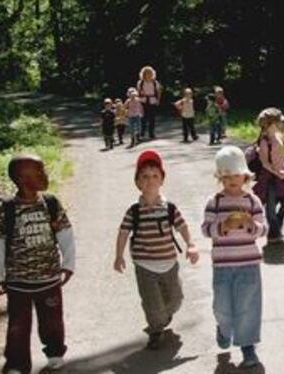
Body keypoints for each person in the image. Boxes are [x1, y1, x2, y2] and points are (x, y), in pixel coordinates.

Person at [0, 154, 76, 374]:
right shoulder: (7, 208)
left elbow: (65, 233)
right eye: (39, 172)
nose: (44, 175)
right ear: (21, 178)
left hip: (49, 278)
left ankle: (55, 353)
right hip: (18, 282)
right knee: (18, 326)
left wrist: (68, 263)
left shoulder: (51, 203)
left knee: (52, 322)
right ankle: (17, 365)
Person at [114, 150, 199, 350]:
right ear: (137, 182)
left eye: (155, 176)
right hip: (145, 266)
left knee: (176, 300)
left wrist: (191, 245)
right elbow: (124, 232)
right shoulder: (134, 211)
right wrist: (119, 256)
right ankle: (156, 330)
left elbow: (182, 226)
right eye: (144, 176)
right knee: (153, 303)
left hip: (169, 263)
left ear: (162, 180)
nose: (150, 180)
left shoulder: (169, 208)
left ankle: (162, 318)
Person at [201, 146, 267, 369]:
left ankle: (248, 347)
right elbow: (206, 229)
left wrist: (251, 225)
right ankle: (223, 327)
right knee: (222, 306)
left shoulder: (252, 201)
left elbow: (263, 230)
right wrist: (223, 226)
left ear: (245, 175)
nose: (232, 179)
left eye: (236, 174)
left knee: (247, 305)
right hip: (222, 264)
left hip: (248, 263)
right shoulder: (215, 202)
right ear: (220, 176)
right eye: (226, 175)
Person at [251, 108, 284, 244]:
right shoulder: (265, 141)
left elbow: (281, 157)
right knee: (271, 206)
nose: (282, 124)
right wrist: (277, 172)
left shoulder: (279, 136)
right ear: (272, 123)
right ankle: (274, 233)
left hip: (282, 175)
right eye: (280, 121)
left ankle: (275, 228)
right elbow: (265, 162)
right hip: (270, 177)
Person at [137, 66, 162, 140]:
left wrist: (158, 100)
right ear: (143, 74)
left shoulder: (155, 82)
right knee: (142, 119)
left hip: (152, 101)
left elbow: (159, 92)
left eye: (150, 73)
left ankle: (151, 134)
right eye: (146, 73)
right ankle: (142, 134)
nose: (148, 74)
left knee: (152, 119)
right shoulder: (140, 82)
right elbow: (138, 92)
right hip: (143, 101)